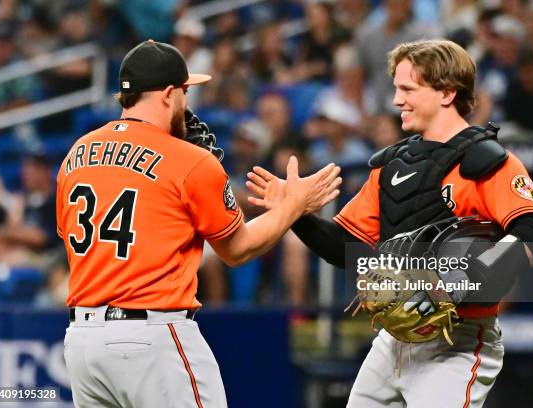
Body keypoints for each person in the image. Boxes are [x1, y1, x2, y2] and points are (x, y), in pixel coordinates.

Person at [246, 39, 533, 407]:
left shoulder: (488, 163)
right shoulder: (392, 165)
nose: (396, 100)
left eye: (408, 88)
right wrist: (293, 212)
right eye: (396, 88)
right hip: (395, 341)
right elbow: (345, 248)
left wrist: (453, 282)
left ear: (446, 93)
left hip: (458, 341)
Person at [56, 40, 341, 408]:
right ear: (169, 93)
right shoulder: (189, 159)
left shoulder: (76, 153)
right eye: (186, 92)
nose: (186, 103)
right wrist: (293, 206)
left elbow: (74, 238)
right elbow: (237, 249)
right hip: (152, 336)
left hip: (82, 341)